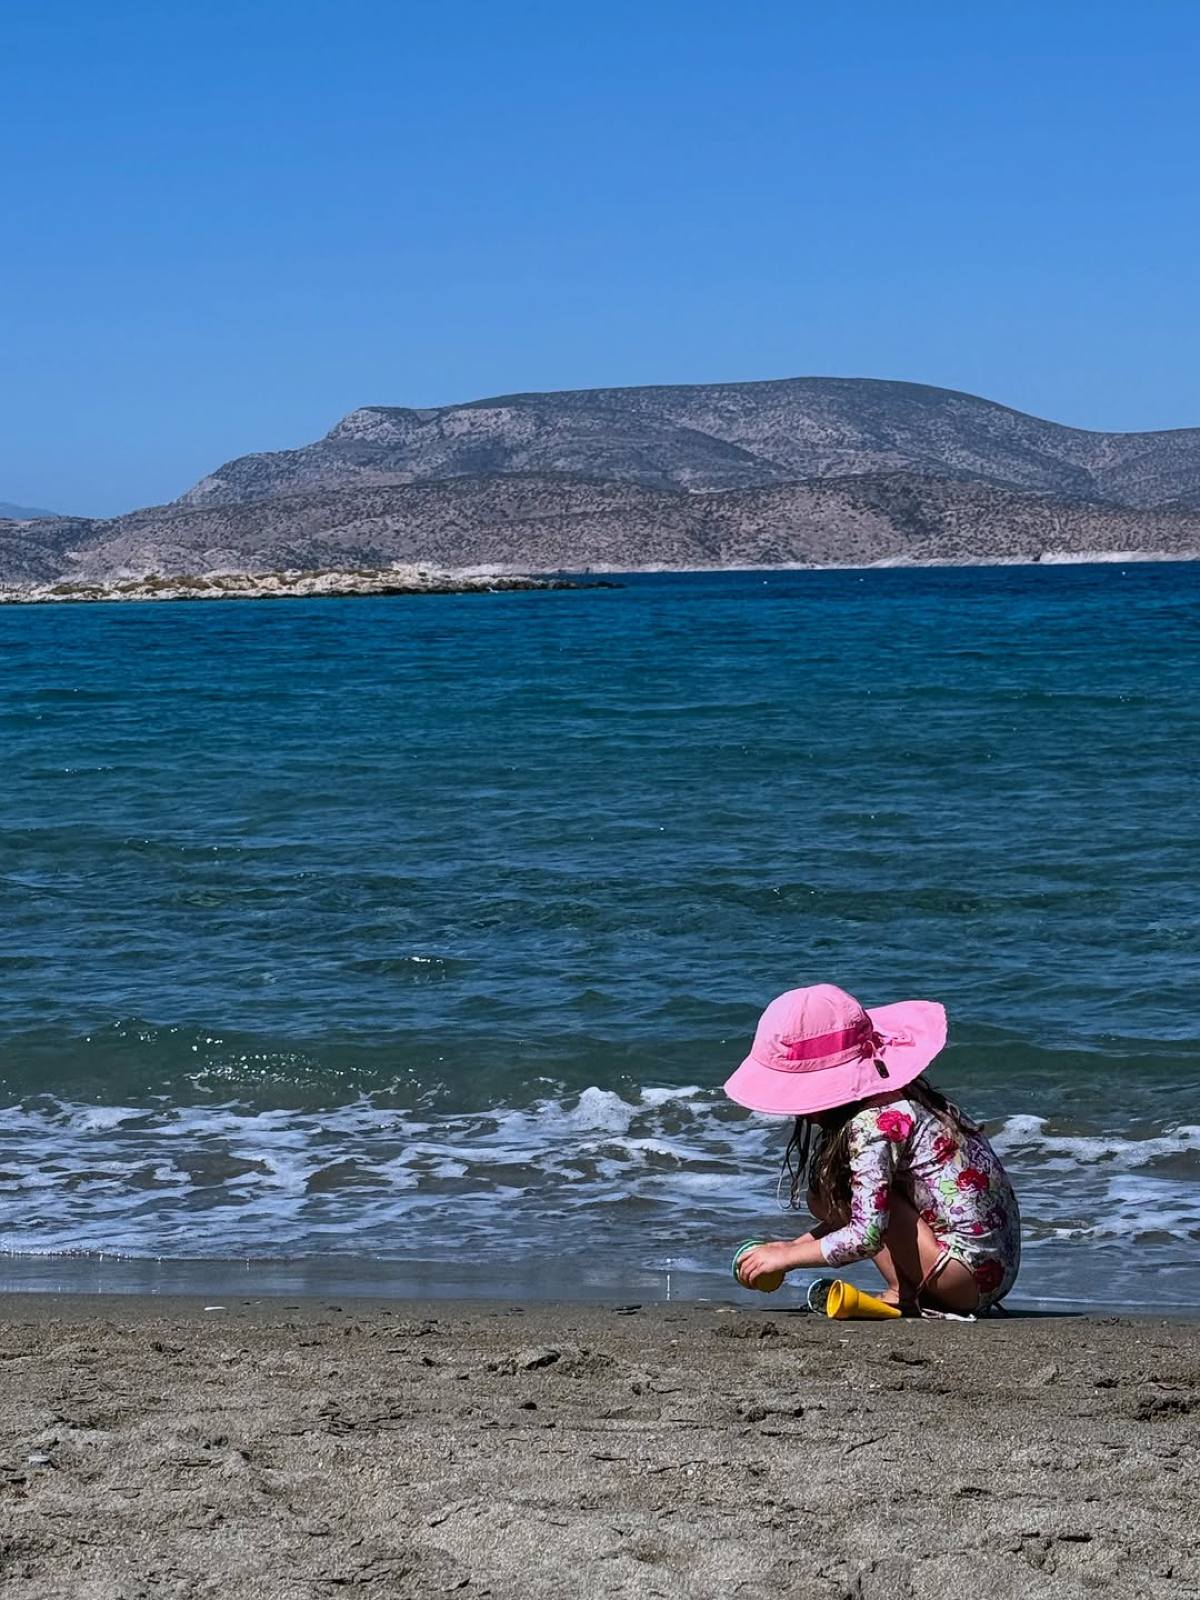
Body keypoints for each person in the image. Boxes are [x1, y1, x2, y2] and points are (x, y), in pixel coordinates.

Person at [725, 983, 1020, 1315]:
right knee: (829, 1196)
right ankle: (909, 1286)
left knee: (856, 1196)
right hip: (991, 1269)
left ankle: (901, 1291)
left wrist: (788, 1259)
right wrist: (791, 1246)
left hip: (962, 1278)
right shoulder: (904, 1099)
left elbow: (867, 1234)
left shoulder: (874, 1124)